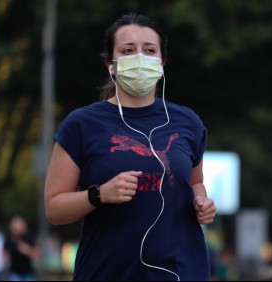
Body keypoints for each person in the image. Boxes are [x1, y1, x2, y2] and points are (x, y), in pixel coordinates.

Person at [44, 12, 216, 281]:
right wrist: (99, 194)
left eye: (149, 50)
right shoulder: (81, 125)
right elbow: (54, 208)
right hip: (106, 272)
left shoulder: (187, 122)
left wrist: (202, 202)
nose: (140, 58)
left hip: (181, 272)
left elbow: (195, 183)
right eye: (128, 50)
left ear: (162, 63)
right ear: (110, 65)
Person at [3, 216, 40, 281]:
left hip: (27, 272)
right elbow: (3, 253)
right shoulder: (9, 239)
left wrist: (26, 250)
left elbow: (37, 254)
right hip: (14, 272)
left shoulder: (28, 238)